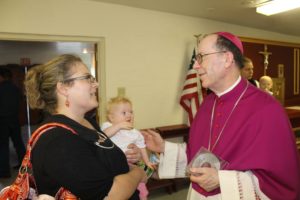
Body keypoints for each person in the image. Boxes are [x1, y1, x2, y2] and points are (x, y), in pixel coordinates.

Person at [142, 32, 300, 200]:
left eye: (201, 57)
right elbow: (197, 155)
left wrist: (222, 179)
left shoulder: (267, 109)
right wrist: (164, 147)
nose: (196, 65)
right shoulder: (207, 104)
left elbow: (281, 179)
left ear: (227, 58)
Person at [24, 54, 146, 199]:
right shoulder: (58, 139)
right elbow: (110, 195)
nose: (96, 84)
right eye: (88, 78)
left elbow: (100, 164)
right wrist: (138, 173)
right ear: (63, 88)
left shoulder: (88, 122)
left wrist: (130, 161)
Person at [102, 96, 155, 200]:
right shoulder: (108, 126)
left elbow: (142, 147)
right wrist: (118, 126)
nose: (129, 115)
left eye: (131, 112)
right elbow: (103, 136)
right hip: (112, 165)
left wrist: (147, 161)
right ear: (112, 118)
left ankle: (142, 196)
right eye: (124, 113)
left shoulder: (135, 132)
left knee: (140, 185)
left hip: (131, 164)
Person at [0, 67, 26, 178]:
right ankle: (23, 166)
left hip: (2, 120)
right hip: (14, 119)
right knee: (18, 143)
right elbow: (20, 102)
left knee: (2, 146)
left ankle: (4, 172)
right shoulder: (15, 88)